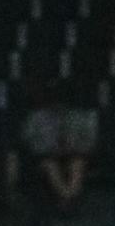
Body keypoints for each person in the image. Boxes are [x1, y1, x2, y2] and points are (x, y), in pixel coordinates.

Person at [17, 83, 98, 211]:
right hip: (46, 156)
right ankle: (67, 197)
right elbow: (28, 140)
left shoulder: (80, 116)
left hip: (74, 154)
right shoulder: (36, 117)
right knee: (50, 166)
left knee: (78, 164)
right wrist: (48, 149)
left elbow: (90, 140)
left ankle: (69, 197)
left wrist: (73, 147)